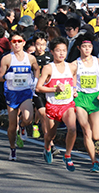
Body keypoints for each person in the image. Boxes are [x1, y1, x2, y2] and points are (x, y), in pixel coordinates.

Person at [36, 37, 78, 172]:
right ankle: (47, 147)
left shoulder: (71, 66)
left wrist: (74, 89)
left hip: (67, 105)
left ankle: (67, 155)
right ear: (52, 52)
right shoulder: (48, 68)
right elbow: (38, 88)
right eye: (58, 51)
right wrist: (55, 89)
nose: (61, 53)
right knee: (50, 135)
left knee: (72, 128)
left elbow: (74, 78)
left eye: (64, 50)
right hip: (53, 106)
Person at [0, 32, 39, 161]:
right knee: (11, 125)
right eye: (13, 42)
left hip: (25, 91)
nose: (16, 44)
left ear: (24, 43)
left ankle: (22, 126)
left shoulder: (30, 58)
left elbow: (36, 68)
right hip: (12, 93)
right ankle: (12, 148)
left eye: (19, 41)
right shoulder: (7, 59)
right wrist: (5, 77)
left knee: (28, 118)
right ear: (10, 43)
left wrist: (35, 80)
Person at [74, 34, 99, 172]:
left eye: (89, 46)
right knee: (86, 130)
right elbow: (71, 78)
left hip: (95, 98)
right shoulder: (75, 64)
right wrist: (73, 90)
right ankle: (94, 161)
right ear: (79, 48)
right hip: (80, 99)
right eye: (84, 47)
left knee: (96, 135)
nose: (87, 49)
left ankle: (93, 152)